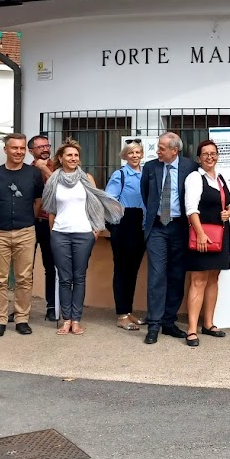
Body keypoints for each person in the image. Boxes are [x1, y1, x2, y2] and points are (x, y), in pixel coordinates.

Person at [43, 139, 123, 334]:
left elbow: (96, 206)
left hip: (83, 234)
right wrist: (53, 231)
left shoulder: (86, 178)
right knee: (64, 278)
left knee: (79, 277)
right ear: (61, 158)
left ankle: (76, 319)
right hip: (60, 234)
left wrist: (95, 231)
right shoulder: (53, 180)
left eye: (76, 155)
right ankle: (66, 320)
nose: (73, 158)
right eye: (69, 155)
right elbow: (51, 210)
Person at [0, 133, 44, 337]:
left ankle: (21, 319)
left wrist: (27, 220)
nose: (18, 152)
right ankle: (0, 320)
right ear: (6, 150)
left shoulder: (33, 174)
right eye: (14, 148)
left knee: (24, 278)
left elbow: (38, 201)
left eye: (21, 148)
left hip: (25, 232)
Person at [140, 131, 198, 344]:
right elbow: (146, 194)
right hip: (157, 227)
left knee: (176, 275)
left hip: (180, 227)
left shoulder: (190, 167)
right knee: (156, 275)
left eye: (162, 148)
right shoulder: (150, 167)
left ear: (175, 150)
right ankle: (154, 324)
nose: (158, 151)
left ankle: (169, 322)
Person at [183, 139, 230, 346]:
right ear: (199, 158)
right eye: (205, 154)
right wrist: (201, 234)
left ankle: (208, 324)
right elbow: (191, 209)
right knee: (198, 280)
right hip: (202, 235)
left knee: (214, 278)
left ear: (217, 156)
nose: (210, 157)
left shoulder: (219, 178)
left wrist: (229, 211)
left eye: (213, 153)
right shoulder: (195, 178)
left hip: (220, 235)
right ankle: (191, 330)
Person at [105, 140, 147, 330]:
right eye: (131, 153)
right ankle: (121, 315)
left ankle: (128, 312)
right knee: (122, 271)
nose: (135, 155)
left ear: (142, 154)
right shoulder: (120, 175)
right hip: (125, 225)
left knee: (132, 271)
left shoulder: (146, 174)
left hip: (141, 225)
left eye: (138, 152)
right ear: (125, 156)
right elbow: (109, 200)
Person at [27, 135, 58, 321]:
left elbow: (59, 186)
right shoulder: (26, 171)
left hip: (50, 224)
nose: (45, 149)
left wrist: (44, 168)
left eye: (47, 145)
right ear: (31, 151)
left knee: (51, 266)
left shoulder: (58, 168)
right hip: (30, 223)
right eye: (40, 147)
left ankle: (52, 306)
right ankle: (22, 308)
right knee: (24, 268)